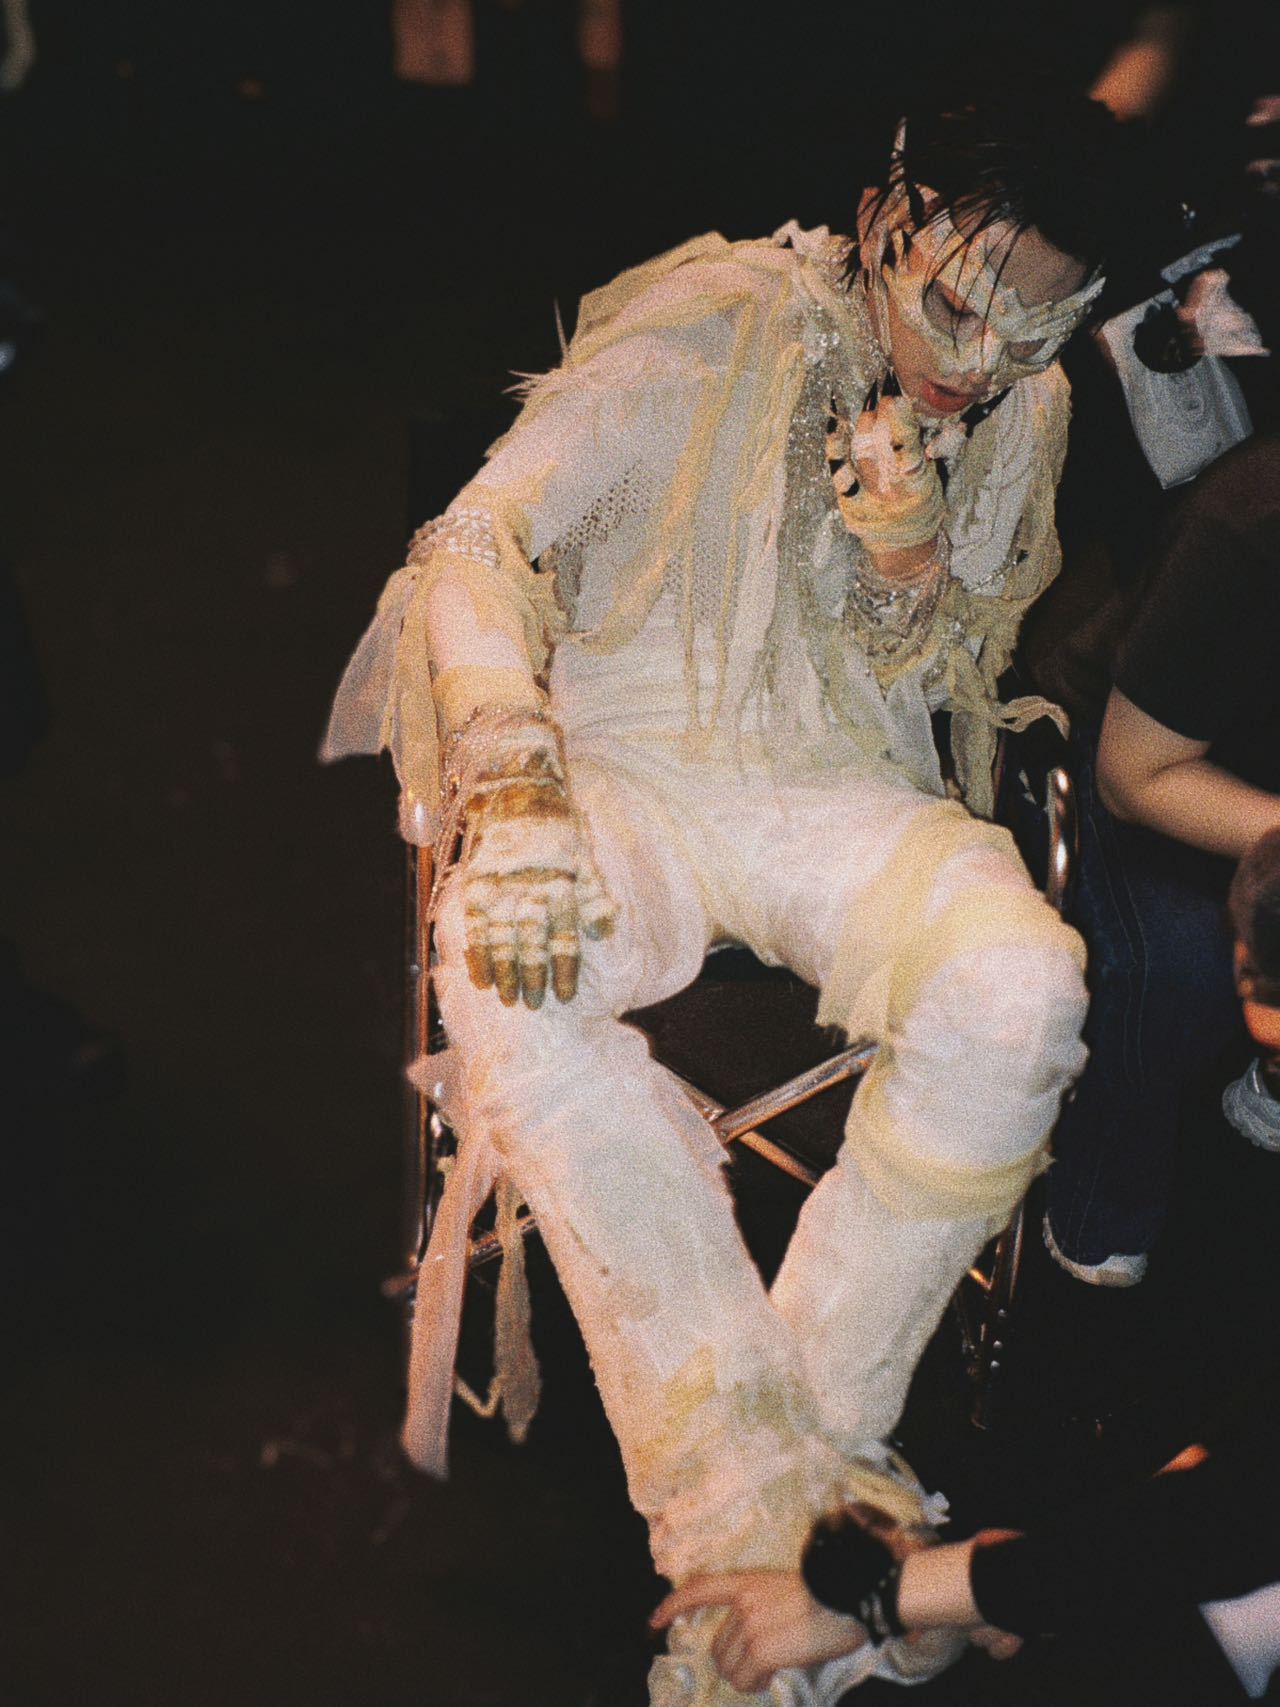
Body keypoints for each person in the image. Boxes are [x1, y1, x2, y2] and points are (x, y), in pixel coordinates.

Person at [324, 89, 1133, 1705]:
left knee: (1022, 984)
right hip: (630, 762)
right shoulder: (715, 323)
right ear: (885, 218)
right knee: (503, 958)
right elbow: (475, 542)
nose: (979, 365)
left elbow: (959, 663)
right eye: (958, 307)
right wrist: (515, 776)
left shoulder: (1019, 410)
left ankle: (754, 1520)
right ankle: (793, 1527)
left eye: (1034, 335)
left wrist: (913, 568)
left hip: (846, 792)